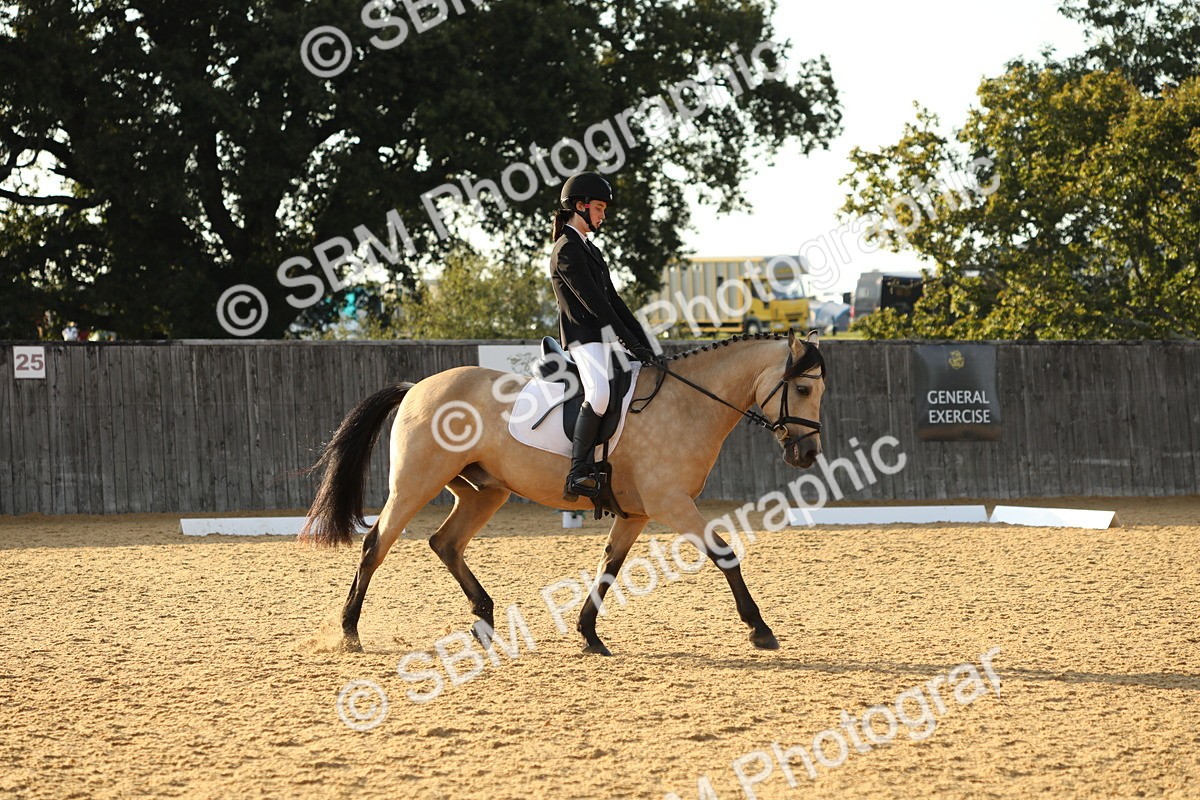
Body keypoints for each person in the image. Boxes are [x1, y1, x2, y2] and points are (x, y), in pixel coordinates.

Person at [549, 172, 657, 500]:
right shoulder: (566, 250)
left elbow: (615, 303)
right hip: (583, 339)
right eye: (599, 208)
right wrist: (628, 341)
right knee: (598, 395)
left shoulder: (591, 251)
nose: (603, 216)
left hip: (603, 339)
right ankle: (577, 471)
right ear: (579, 206)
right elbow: (595, 305)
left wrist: (646, 343)